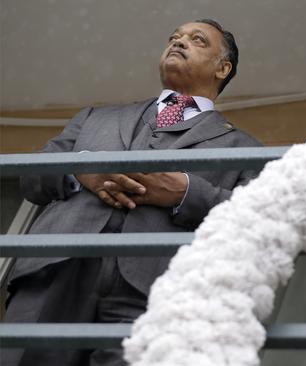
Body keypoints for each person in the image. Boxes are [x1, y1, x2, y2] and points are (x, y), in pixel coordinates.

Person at [2, 19, 261, 366]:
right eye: (174, 37)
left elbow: (257, 219)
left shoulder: (243, 148)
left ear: (223, 67)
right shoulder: (97, 118)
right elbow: (31, 179)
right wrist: (80, 169)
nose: (178, 42)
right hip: (56, 271)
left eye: (196, 40)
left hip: (158, 295)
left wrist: (186, 193)